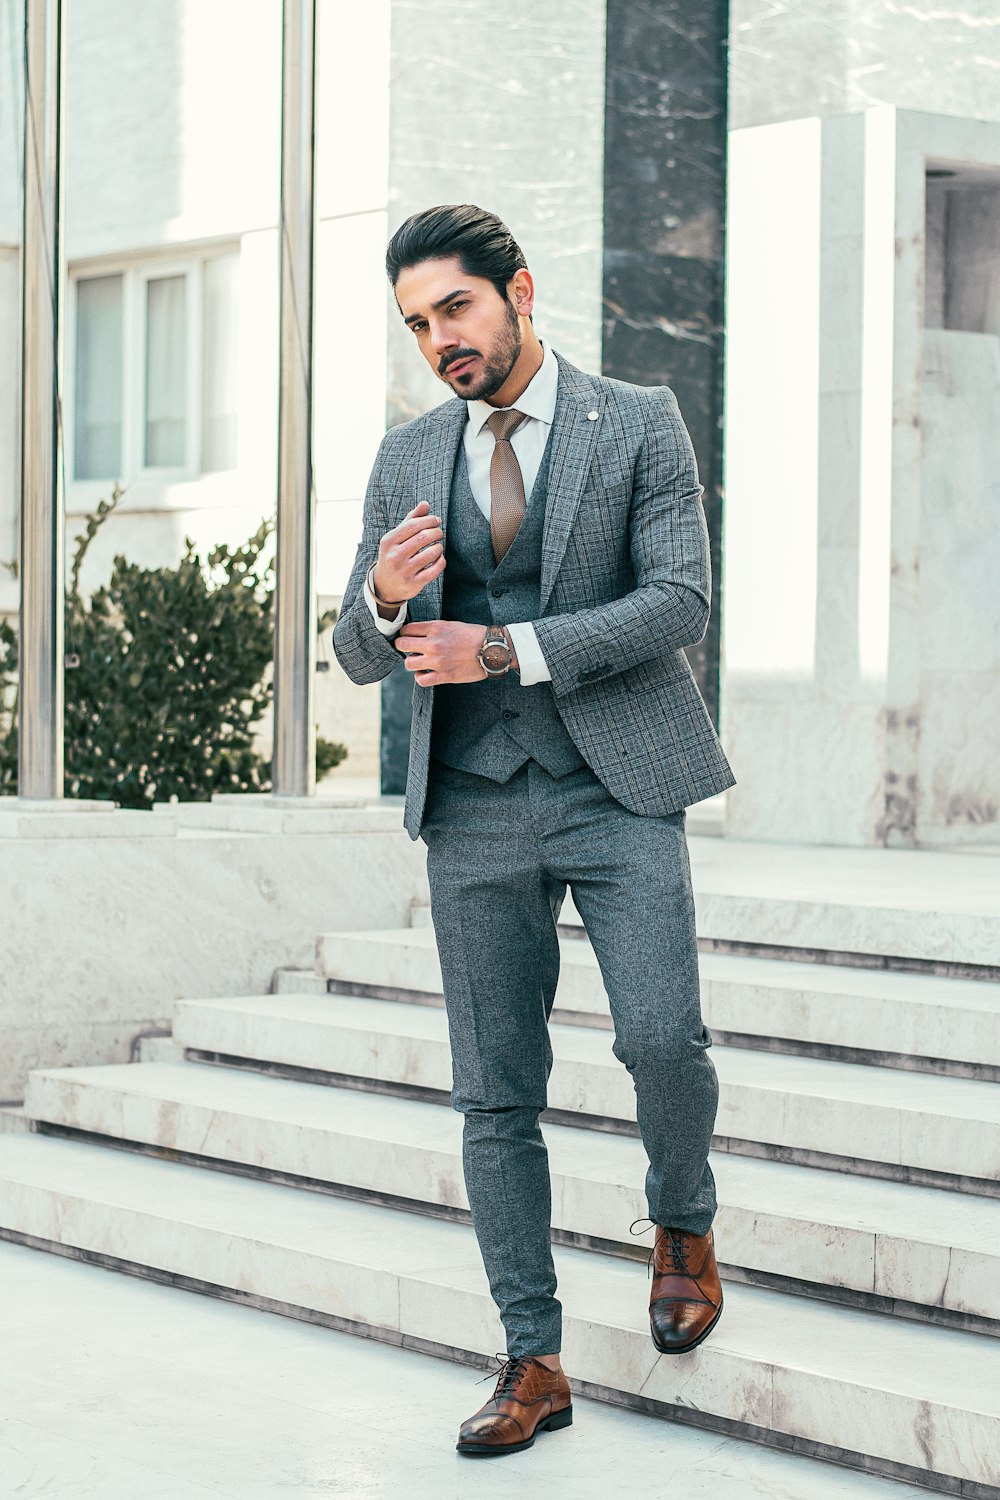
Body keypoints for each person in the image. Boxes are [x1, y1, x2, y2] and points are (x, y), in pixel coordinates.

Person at [333, 204, 736, 1458]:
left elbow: (680, 600)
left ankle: (682, 1220)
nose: (438, 342)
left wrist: (506, 644)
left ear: (516, 291)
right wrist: (381, 598)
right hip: (474, 806)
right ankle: (532, 1359)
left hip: (614, 786)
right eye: (416, 325)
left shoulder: (638, 421)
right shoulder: (406, 457)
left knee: (661, 1037)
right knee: (494, 1097)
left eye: (454, 308)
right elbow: (354, 655)